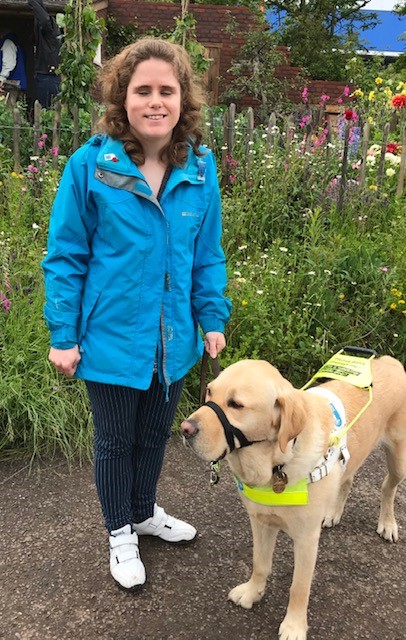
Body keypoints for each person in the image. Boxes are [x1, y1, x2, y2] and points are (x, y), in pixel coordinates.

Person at [42, 37, 231, 591]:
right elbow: (66, 256)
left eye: (165, 91)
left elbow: (207, 253)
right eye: (141, 90)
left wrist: (211, 316)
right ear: (121, 99)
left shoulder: (199, 167)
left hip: (173, 342)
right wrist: (64, 334)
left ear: (182, 99)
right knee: (114, 441)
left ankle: (145, 511)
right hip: (109, 340)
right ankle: (119, 531)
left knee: (154, 438)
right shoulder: (90, 167)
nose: (154, 101)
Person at [28, 0, 61, 107]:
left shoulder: (49, 31)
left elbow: (44, 20)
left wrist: (32, 2)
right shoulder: (50, 36)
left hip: (48, 76)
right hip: (46, 75)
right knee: (48, 111)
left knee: (46, 110)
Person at [0, 28, 27, 106]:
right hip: (16, 84)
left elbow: (9, 63)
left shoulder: (8, 43)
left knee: (9, 110)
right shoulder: (15, 44)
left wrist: (1, 79)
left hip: (11, 84)